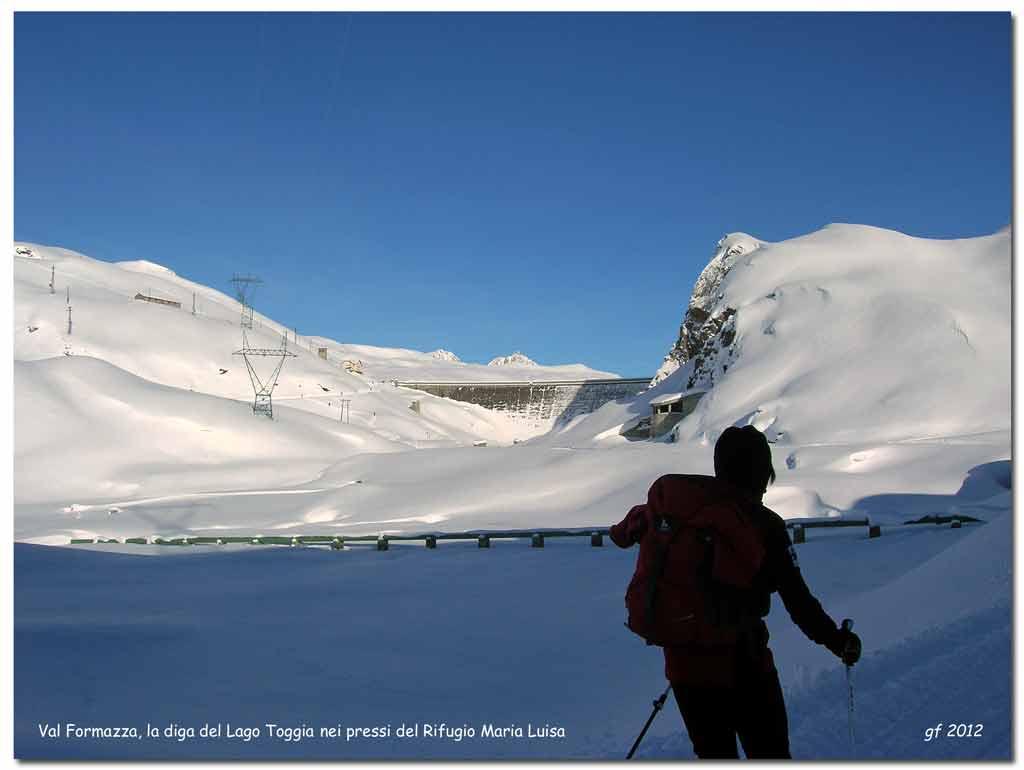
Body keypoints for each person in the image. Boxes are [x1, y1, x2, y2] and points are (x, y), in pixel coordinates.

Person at [610, 425, 861, 759]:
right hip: (745, 670)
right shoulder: (764, 525)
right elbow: (798, 603)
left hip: (686, 672)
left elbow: (624, 533)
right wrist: (839, 642)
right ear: (762, 473)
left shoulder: (679, 511)